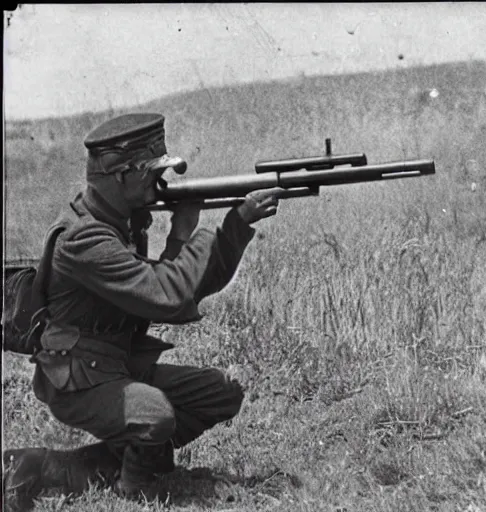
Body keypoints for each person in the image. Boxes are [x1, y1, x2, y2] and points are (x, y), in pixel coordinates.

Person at [3, 113, 281, 508]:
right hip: (79, 379)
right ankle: (126, 485)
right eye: (153, 173)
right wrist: (186, 233)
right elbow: (168, 295)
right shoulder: (85, 238)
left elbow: (181, 290)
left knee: (219, 394)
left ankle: (97, 463)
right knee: (155, 417)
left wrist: (235, 228)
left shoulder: (122, 222)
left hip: (114, 364)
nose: (162, 183)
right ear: (121, 175)